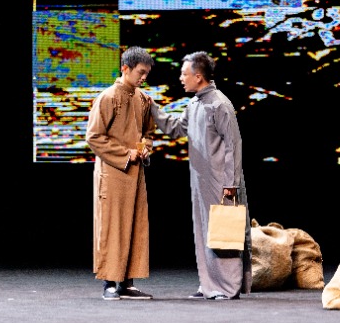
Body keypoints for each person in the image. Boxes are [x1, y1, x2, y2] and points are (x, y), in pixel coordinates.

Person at [151, 51, 252, 300]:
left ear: (198, 76)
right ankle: (209, 284)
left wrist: (231, 183)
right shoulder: (194, 104)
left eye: (184, 74)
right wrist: (153, 109)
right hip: (200, 179)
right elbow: (177, 129)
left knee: (224, 232)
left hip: (221, 180)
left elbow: (233, 145)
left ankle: (227, 287)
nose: (181, 78)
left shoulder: (220, 104)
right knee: (205, 231)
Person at [85, 46, 156, 301]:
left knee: (135, 226)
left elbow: (148, 132)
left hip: (136, 174)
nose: (143, 78)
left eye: (146, 74)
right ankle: (109, 282)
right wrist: (126, 154)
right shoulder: (107, 97)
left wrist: (145, 148)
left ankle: (127, 282)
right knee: (112, 227)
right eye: (140, 72)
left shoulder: (143, 99)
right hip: (113, 172)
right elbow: (94, 136)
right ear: (125, 68)